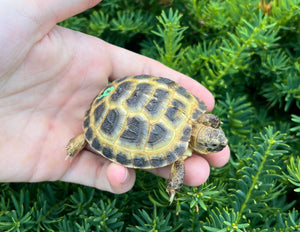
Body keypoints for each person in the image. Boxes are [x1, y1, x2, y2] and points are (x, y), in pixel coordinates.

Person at [0, 0, 230, 195]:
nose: (218, 144)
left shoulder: (193, 114)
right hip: (120, 105)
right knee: (99, 145)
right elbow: (179, 167)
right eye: (214, 143)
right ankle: (84, 138)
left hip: (129, 89)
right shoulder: (179, 154)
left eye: (214, 143)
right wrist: (174, 186)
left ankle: (86, 138)